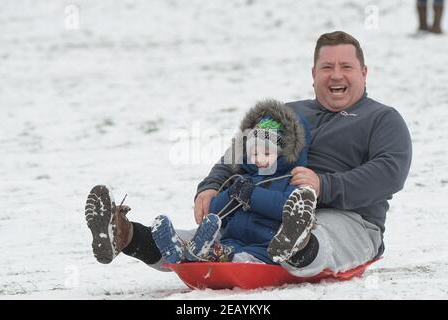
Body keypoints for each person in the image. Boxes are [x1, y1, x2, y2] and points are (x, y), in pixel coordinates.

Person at [194, 31, 412, 277]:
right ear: (313, 74)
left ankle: (298, 246)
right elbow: (240, 152)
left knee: (320, 234)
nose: (336, 75)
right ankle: (149, 241)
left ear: (363, 73)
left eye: (346, 66)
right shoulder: (287, 113)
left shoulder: (382, 118)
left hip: (347, 218)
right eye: (327, 66)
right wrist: (211, 186)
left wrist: (324, 186)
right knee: (210, 237)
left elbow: (389, 172)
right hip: (267, 209)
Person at [85, 99, 317, 266]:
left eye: (266, 152)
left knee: (237, 258)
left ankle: (201, 253)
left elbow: (287, 208)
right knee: (216, 244)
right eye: (253, 152)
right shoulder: (244, 177)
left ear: (286, 152)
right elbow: (217, 213)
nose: (258, 159)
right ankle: (177, 249)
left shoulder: (293, 179)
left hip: (265, 246)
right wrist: (231, 192)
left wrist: (251, 196)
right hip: (233, 239)